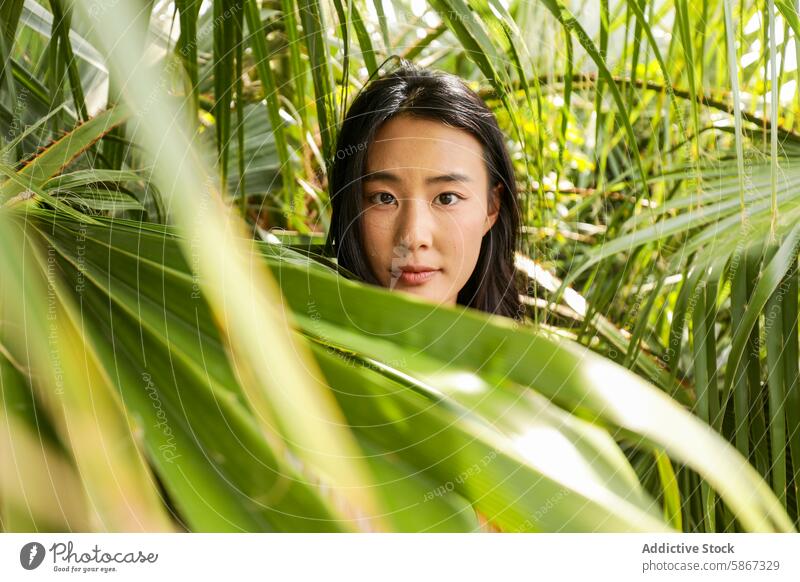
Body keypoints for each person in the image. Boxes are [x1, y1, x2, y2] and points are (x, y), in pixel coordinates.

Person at [326, 61, 523, 321]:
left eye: (446, 198)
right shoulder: (288, 356)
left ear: (491, 207)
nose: (412, 236)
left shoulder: (528, 360)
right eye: (384, 198)